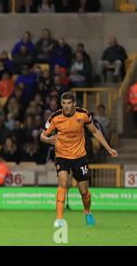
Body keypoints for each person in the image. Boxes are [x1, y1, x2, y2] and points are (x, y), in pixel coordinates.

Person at [40, 92, 118, 228]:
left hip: (79, 156)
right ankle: (59, 219)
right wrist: (48, 139)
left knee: (84, 192)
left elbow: (94, 131)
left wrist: (108, 148)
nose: (66, 106)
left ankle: (87, 212)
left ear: (74, 104)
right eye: (64, 103)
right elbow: (42, 136)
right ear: (61, 104)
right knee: (63, 182)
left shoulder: (83, 115)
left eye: (69, 103)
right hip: (62, 156)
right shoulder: (55, 117)